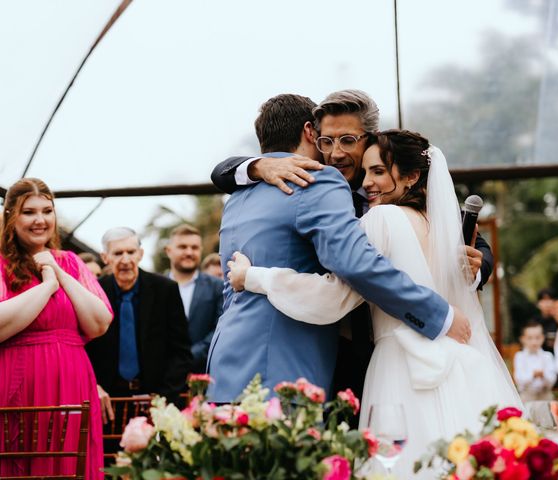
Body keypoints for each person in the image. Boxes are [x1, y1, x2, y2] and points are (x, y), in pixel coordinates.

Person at [227, 130, 521, 478]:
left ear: (412, 177)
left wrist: (255, 277)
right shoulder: (448, 231)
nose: (367, 183)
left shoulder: (380, 220)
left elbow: (334, 297)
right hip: (462, 369)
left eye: (379, 171)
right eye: (366, 172)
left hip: (401, 370)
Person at [211, 89, 492, 405]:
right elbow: (222, 171)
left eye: (347, 140)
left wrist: (474, 270)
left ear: (371, 140)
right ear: (312, 135)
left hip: (402, 350)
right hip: (330, 352)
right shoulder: (302, 181)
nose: (334, 153)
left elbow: (468, 240)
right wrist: (256, 165)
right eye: (326, 142)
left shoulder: (401, 191)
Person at [0, 178, 113, 479]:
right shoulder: (0, 264)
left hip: (72, 381)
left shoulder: (71, 263)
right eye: (29, 212)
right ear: (10, 216)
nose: (40, 220)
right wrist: (47, 286)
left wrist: (59, 273)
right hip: (18, 381)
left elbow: (99, 323)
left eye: (47, 211)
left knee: (72, 463)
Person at [85, 227, 192, 423]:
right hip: (107, 405)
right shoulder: (92, 292)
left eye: (131, 252)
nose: (126, 260)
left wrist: (163, 399)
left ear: (140, 254)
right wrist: (93, 386)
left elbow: (181, 351)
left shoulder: (165, 290)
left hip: (158, 402)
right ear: (105, 257)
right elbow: (84, 348)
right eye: (118, 253)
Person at [165, 224, 224, 373]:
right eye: (183, 247)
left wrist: (190, 356)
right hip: (164, 374)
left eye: (195, 247)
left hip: (206, 373)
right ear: (168, 251)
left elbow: (220, 327)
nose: (189, 252)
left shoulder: (217, 287)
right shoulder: (156, 287)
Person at [514, 321, 557, 402]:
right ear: (523, 339)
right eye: (530, 338)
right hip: (526, 397)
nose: (534, 342)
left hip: (545, 397)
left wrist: (543, 375)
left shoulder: (547, 356)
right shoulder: (519, 356)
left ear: (543, 338)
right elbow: (519, 379)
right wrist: (532, 375)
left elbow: (552, 380)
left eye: (537, 338)